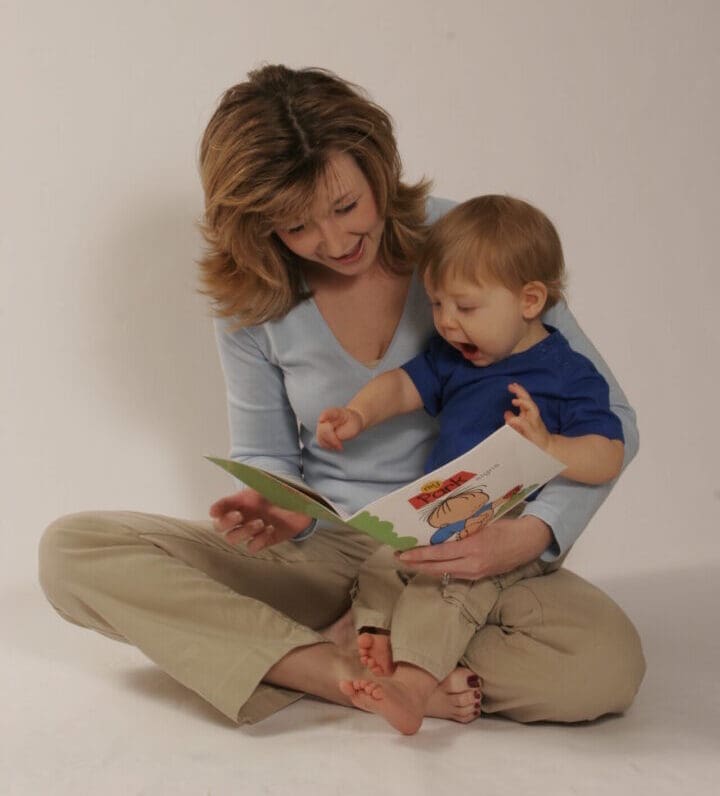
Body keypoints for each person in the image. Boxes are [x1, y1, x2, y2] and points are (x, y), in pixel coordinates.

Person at [38, 64, 644, 728]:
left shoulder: (470, 246)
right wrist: (277, 506)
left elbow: (611, 423)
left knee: (602, 666)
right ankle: (331, 670)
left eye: (346, 206)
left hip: (457, 558)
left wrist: (531, 534)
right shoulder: (256, 297)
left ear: (378, 167)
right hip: (323, 556)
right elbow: (267, 451)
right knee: (74, 553)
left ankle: (329, 649)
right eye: (295, 227)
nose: (333, 242)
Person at [315, 195, 625, 734]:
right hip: (440, 518)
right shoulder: (452, 358)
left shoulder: (567, 375)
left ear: (530, 300)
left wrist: (550, 447)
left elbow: (608, 454)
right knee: (383, 563)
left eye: (465, 307)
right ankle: (375, 634)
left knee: (450, 585)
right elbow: (402, 386)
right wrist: (359, 414)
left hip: (506, 528)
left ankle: (413, 687)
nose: (448, 323)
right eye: (436, 305)